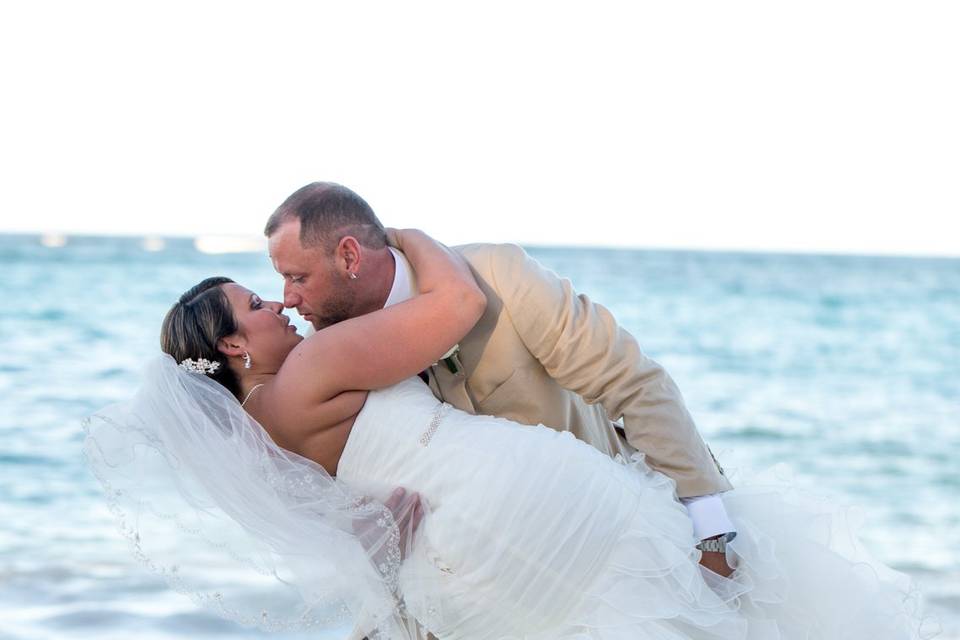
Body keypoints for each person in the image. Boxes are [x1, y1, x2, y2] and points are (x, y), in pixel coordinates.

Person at [85, 229, 929, 639]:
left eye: (286, 284)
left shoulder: (258, 439)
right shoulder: (309, 371)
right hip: (545, 519)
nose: (284, 304)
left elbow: (362, 521)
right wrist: (410, 238)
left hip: (469, 580)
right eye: (260, 303)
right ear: (233, 345)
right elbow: (453, 306)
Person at [264, 182, 736, 578]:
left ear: (349, 256)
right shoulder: (332, 348)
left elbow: (635, 384)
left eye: (297, 277)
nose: (286, 298)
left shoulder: (498, 276)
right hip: (479, 576)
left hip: (606, 539)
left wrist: (709, 532)